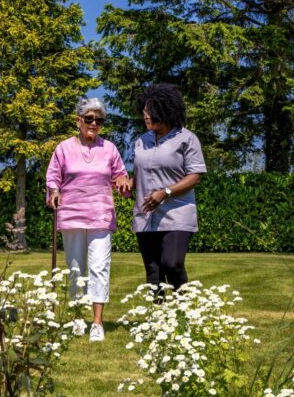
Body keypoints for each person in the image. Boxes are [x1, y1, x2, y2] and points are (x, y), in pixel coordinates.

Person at [45, 97, 130, 342]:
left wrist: (123, 183)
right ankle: (76, 318)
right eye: (89, 118)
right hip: (71, 215)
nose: (94, 123)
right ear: (78, 120)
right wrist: (54, 192)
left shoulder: (110, 149)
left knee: (99, 267)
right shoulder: (63, 148)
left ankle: (97, 323)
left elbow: (121, 177)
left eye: (99, 120)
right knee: (75, 270)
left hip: (101, 215)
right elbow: (53, 177)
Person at [131, 83, 206, 292]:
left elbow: (195, 176)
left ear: (166, 111)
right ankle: (158, 312)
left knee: (172, 264)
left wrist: (166, 192)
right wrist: (128, 183)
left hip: (177, 214)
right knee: (153, 273)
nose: (146, 116)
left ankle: (183, 309)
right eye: (145, 111)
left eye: (151, 112)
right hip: (145, 215)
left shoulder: (186, 138)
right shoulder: (141, 141)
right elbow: (139, 173)